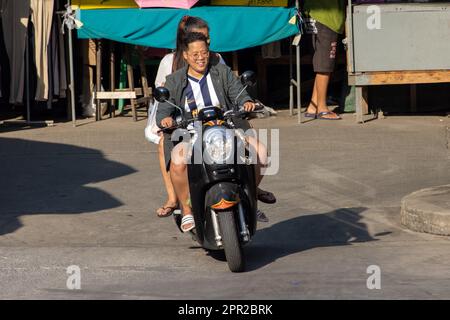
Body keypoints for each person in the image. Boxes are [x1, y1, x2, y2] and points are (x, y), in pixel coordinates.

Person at [151, 16, 275, 220]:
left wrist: (246, 102)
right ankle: (187, 209)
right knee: (178, 162)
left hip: (225, 127)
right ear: (186, 55)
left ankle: (249, 196)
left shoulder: (222, 72)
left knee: (261, 152)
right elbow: (163, 109)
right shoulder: (174, 79)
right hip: (190, 133)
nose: (201, 57)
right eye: (195, 54)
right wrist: (165, 120)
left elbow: (238, 92)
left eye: (204, 52)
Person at [152, 16, 225, 218]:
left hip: (215, 119)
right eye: (202, 37)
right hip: (181, 121)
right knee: (164, 145)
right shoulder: (169, 62)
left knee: (251, 145)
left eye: (207, 39)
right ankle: (174, 199)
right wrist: (167, 121)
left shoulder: (217, 59)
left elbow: (229, 89)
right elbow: (161, 97)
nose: (206, 44)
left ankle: (252, 188)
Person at [303, 0, 346, 120]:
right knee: (325, 65)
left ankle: (313, 106)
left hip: (313, 14)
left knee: (320, 61)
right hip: (326, 18)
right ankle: (322, 109)